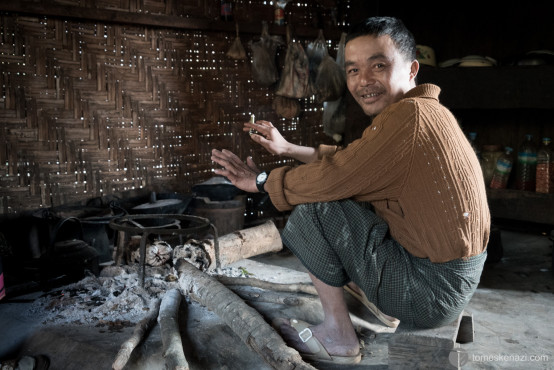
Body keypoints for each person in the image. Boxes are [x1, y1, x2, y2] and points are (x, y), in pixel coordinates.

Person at [211, 16, 489, 365]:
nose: (364, 81)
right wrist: (288, 150)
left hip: (428, 293)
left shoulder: (408, 119)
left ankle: (338, 336)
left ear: (412, 69)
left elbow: (337, 177)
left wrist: (262, 182)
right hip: (449, 283)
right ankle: (376, 300)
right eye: (353, 70)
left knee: (315, 209)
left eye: (379, 65)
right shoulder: (425, 112)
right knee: (352, 200)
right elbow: (354, 163)